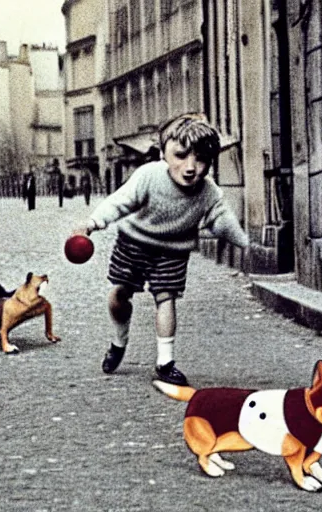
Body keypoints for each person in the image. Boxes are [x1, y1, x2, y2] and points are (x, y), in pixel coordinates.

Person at [75, 113, 249, 386]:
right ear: (164, 153)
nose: (190, 167)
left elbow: (220, 217)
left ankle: (165, 363)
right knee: (118, 296)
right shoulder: (148, 176)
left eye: (201, 159)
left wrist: (242, 240)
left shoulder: (208, 192)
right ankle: (118, 343)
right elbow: (120, 201)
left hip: (173, 251)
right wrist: (94, 222)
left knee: (165, 299)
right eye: (180, 155)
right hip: (133, 243)